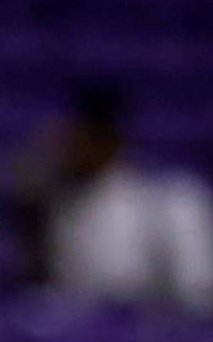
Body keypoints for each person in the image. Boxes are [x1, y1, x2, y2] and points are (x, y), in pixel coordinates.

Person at [12, 84, 213, 317]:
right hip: (82, 339)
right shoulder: (55, 203)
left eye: (85, 137)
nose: (74, 147)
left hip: (150, 336)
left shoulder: (165, 200)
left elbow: (198, 293)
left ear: (110, 139)